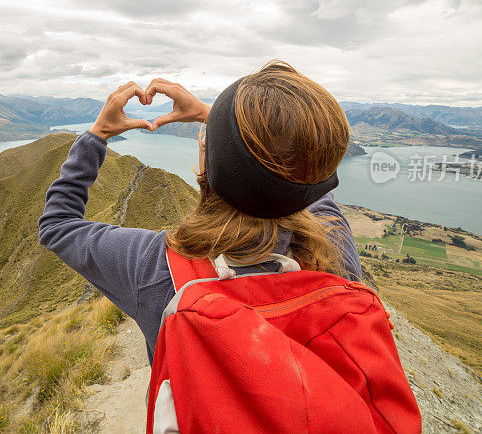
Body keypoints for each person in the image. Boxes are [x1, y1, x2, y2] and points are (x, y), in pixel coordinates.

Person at [38, 61, 361, 366]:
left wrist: (97, 134)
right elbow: (305, 171)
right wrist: (216, 121)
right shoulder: (332, 253)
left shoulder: (153, 270)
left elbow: (57, 224)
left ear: (207, 161)